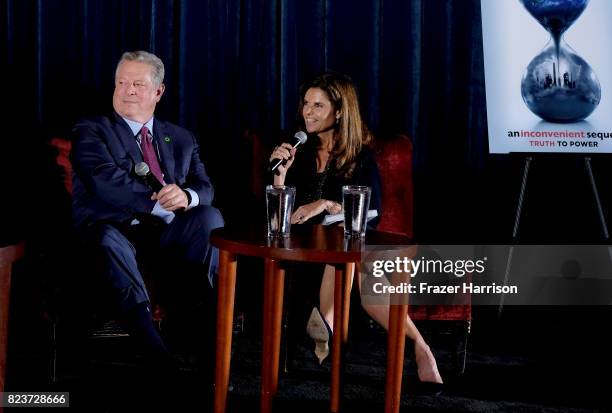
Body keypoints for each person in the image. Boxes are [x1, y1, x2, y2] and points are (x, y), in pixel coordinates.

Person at [269, 72, 443, 386]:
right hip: (303, 249)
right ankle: (414, 343)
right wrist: (280, 179)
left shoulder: (360, 156)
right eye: (306, 103)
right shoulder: (298, 150)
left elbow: (369, 215)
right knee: (354, 262)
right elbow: (277, 223)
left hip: (345, 249)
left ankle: (330, 331)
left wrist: (327, 204)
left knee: (353, 258)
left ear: (339, 112)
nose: (307, 111)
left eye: (318, 105)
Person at [71, 51, 224, 367]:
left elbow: (205, 188)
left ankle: (201, 341)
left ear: (158, 91)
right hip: (117, 230)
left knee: (209, 216)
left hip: (169, 237)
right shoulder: (92, 130)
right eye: (121, 83)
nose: (127, 90)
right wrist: (159, 202)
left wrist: (186, 197)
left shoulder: (181, 138)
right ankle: (157, 357)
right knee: (105, 240)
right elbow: (104, 181)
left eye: (137, 84)